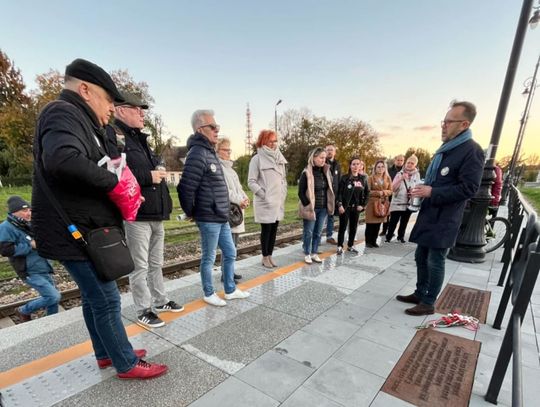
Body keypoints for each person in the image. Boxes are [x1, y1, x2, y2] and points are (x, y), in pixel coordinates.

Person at [31, 58, 166, 379]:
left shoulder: (85, 121)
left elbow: (101, 159)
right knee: (106, 299)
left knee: (95, 299)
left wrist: (105, 133)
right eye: (109, 101)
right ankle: (126, 363)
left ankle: (106, 353)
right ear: (85, 89)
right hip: (72, 230)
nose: (112, 109)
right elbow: (63, 160)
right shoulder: (62, 113)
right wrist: (116, 184)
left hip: (84, 227)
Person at [397, 100, 484, 316]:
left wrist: (432, 192)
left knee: (435, 260)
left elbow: (469, 188)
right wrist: (425, 188)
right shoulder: (446, 149)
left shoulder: (471, 151)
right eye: (443, 121)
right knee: (420, 256)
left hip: (446, 217)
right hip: (431, 212)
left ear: (464, 124)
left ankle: (428, 302)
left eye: (448, 121)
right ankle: (419, 292)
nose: (443, 125)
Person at [106, 91, 183, 329]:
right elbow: (115, 174)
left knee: (156, 262)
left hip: (155, 212)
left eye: (143, 110)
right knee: (140, 265)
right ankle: (143, 309)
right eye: (137, 109)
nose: (142, 114)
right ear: (120, 110)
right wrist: (149, 176)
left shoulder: (140, 139)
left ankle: (160, 300)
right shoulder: (116, 136)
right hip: (137, 214)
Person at [177, 110, 250, 307]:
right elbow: (185, 188)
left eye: (217, 126)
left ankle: (230, 289)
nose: (217, 129)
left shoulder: (209, 152)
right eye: (213, 126)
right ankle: (209, 293)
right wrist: (192, 212)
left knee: (230, 252)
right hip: (208, 217)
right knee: (208, 257)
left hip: (221, 216)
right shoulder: (197, 154)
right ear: (200, 129)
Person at [0, 196, 61, 322]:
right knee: (53, 296)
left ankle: (52, 322)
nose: (28, 213)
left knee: (52, 300)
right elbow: (6, 250)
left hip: (44, 267)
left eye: (29, 210)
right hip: (29, 271)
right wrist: (30, 245)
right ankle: (23, 310)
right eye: (24, 211)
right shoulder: (6, 227)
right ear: (13, 212)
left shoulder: (28, 224)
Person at [248, 130, 288, 268]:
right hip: (265, 202)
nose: (273, 143)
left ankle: (270, 255)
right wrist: (263, 194)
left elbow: (283, 179)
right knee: (266, 230)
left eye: (275, 140)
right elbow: (251, 181)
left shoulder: (279, 158)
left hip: (278, 201)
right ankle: (265, 257)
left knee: (274, 230)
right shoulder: (257, 159)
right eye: (270, 141)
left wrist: (284, 192)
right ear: (263, 141)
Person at [216, 136, 249, 280]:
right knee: (228, 246)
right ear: (217, 151)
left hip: (237, 211)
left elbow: (239, 188)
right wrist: (239, 200)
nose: (229, 152)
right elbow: (225, 190)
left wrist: (245, 197)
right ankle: (226, 274)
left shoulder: (231, 170)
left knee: (234, 244)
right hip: (229, 211)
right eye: (225, 150)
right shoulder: (219, 168)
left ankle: (229, 270)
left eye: (229, 150)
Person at [298, 147, 335, 264]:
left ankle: (314, 253)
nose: (323, 160)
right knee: (308, 232)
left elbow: (329, 189)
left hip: (323, 208)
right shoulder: (306, 173)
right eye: (321, 157)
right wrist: (308, 205)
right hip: (311, 209)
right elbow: (301, 192)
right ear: (314, 157)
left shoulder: (326, 172)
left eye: (324, 158)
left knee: (318, 232)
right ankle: (307, 253)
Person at [336, 157, 369, 254]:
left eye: (357, 164)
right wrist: (340, 205)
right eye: (353, 164)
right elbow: (339, 193)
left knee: (353, 227)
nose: (355, 166)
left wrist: (363, 205)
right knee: (342, 227)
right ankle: (339, 246)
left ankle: (350, 245)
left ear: (360, 166)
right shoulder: (344, 178)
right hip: (345, 208)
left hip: (356, 208)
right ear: (350, 166)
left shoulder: (363, 179)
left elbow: (367, 193)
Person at [385, 155, 421, 243]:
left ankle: (401, 237)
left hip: (409, 202)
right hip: (398, 201)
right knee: (393, 221)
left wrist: (413, 191)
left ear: (415, 165)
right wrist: (401, 179)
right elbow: (392, 188)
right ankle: (388, 237)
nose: (409, 164)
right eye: (408, 162)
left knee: (404, 222)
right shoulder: (399, 173)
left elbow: (418, 186)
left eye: (412, 163)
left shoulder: (417, 175)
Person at [364, 160, 392, 248]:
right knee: (370, 224)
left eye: (382, 167)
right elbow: (367, 191)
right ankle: (368, 241)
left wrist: (384, 192)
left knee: (378, 224)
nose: (380, 168)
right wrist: (377, 193)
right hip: (372, 203)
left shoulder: (388, 178)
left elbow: (391, 191)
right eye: (378, 167)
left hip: (382, 204)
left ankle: (374, 241)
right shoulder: (370, 178)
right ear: (375, 168)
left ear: (385, 168)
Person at [381, 154, 404, 236]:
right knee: (387, 213)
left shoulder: (405, 171)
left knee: (395, 215)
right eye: (398, 160)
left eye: (401, 160)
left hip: (400, 196)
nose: (399, 162)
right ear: (395, 161)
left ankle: (392, 231)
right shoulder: (389, 170)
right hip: (390, 194)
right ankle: (384, 230)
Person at [324, 144, 341, 245]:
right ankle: (315, 237)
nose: (329, 152)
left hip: (334, 194)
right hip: (324, 193)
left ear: (335, 152)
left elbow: (338, 179)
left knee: (331, 216)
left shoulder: (337, 164)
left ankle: (329, 236)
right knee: (320, 216)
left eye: (331, 150)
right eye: (328, 150)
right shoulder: (322, 162)